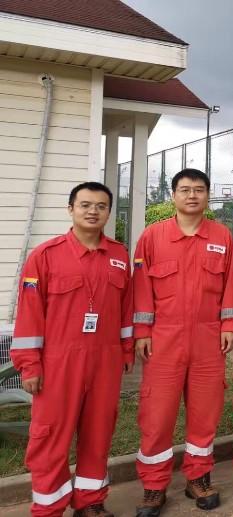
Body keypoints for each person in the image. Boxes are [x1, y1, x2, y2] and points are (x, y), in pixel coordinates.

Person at [11, 182, 133, 517]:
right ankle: (48, 508)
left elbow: (126, 308)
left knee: (98, 434)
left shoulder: (119, 255)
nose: (93, 211)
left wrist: (126, 350)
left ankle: (90, 502)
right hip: (59, 361)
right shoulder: (45, 256)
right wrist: (30, 364)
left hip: (105, 359)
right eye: (85, 205)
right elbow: (29, 315)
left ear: (109, 212)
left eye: (101, 206)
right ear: (71, 209)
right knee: (50, 437)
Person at [132, 169, 233, 515]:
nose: (192, 195)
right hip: (164, 340)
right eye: (185, 189)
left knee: (205, 413)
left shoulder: (222, 236)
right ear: (173, 195)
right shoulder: (152, 237)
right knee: (157, 415)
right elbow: (141, 288)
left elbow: (231, 283)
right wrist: (143, 331)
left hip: (208, 339)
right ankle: (154, 486)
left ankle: (198, 478)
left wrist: (228, 324)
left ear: (207, 195)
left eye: (199, 190)